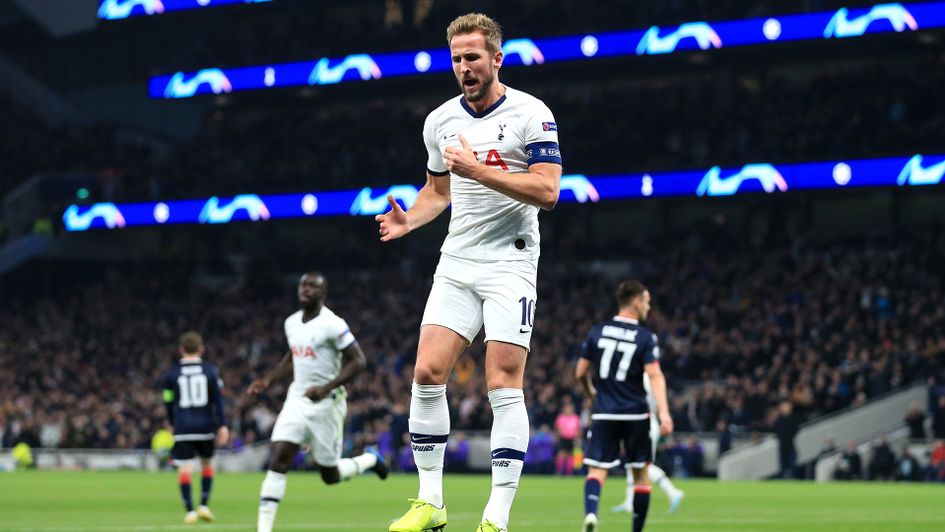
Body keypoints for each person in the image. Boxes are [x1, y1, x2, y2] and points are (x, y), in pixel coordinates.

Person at [376, 12, 562, 532]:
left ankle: (495, 518)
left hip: (511, 263)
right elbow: (439, 191)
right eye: (456, 59)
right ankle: (430, 503)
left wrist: (478, 169)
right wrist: (409, 220)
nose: (464, 67)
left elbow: (548, 192)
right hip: (457, 260)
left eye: (473, 57)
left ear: (497, 58)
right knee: (426, 374)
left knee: (502, 383)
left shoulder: (532, 114)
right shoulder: (439, 121)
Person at [246, 272, 389, 532]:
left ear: (323, 294)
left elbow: (359, 361)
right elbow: (292, 357)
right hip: (297, 399)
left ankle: (370, 459)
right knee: (279, 456)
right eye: (303, 285)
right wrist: (268, 380)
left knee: (329, 475)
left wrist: (326, 388)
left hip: (327, 404)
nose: (306, 289)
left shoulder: (333, 324)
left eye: (313, 286)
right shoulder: (291, 323)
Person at [575, 280, 673, 532]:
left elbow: (580, 372)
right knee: (641, 474)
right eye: (648, 302)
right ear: (637, 301)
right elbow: (654, 375)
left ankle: (591, 514)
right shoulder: (645, 337)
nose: (649, 308)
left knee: (596, 471)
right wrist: (664, 412)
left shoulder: (597, 330)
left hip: (604, 410)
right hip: (635, 413)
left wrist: (591, 394)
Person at [160, 331, 228, 524]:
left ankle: (189, 510)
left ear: (181, 349)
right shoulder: (211, 371)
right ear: (201, 349)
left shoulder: (171, 374)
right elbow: (219, 401)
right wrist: (222, 425)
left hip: (182, 426)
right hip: (205, 426)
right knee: (207, 465)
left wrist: (173, 422)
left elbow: (167, 401)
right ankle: (204, 505)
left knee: (185, 469)